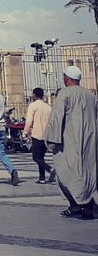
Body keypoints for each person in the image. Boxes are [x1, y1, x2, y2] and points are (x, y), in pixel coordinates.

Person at [44, 66, 97, 220]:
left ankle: (83, 205)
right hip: (89, 140)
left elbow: (57, 117)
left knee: (65, 173)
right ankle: (77, 205)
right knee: (86, 172)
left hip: (69, 141)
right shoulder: (90, 95)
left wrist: (51, 138)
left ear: (66, 78)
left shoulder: (64, 94)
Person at [24, 87, 55, 184]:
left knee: (35, 157)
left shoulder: (33, 106)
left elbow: (29, 120)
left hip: (37, 134)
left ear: (34, 95)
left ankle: (50, 169)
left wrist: (25, 132)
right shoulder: (48, 107)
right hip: (46, 135)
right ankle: (42, 178)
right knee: (41, 157)